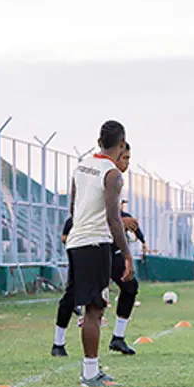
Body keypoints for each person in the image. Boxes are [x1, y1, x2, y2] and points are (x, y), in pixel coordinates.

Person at [53, 143, 144, 358]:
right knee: (80, 299)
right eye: (125, 158)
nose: (127, 163)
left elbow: (113, 216)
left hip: (109, 252)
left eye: (130, 159)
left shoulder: (109, 179)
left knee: (130, 287)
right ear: (116, 153)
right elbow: (90, 216)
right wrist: (122, 222)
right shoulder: (105, 176)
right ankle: (59, 343)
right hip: (92, 248)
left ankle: (118, 338)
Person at [63, 120, 133, 387]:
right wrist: (126, 254)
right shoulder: (112, 173)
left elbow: (72, 206)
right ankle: (90, 374)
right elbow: (114, 218)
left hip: (77, 240)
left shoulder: (81, 166)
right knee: (95, 309)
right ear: (121, 142)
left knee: (91, 308)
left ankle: (91, 370)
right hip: (95, 243)